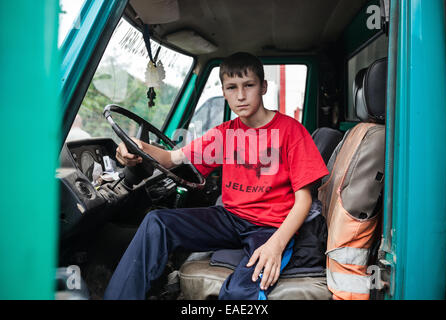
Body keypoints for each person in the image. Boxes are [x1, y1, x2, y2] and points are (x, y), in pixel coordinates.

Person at [103, 52, 329, 300]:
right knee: (157, 222)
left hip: (270, 227)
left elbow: (304, 200)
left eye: (249, 85)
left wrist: (276, 244)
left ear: (263, 87)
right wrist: (137, 147)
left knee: (242, 291)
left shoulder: (290, 131)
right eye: (232, 87)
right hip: (230, 218)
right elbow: (172, 158)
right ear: (223, 92)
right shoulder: (224, 134)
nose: (240, 95)